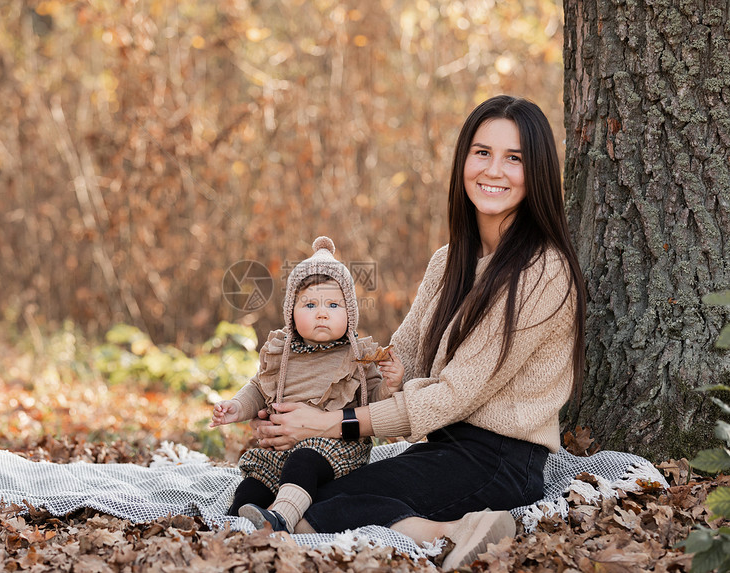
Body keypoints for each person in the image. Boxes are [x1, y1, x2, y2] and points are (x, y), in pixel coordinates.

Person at [250, 95, 586, 568]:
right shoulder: (449, 260)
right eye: (482, 152)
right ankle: (448, 526)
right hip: (443, 448)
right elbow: (400, 354)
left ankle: (460, 531)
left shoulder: (542, 272)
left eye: (515, 158)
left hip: (501, 464)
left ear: (538, 174)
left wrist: (329, 424)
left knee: (321, 510)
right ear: (463, 160)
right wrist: (305, 402)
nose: (494, 170)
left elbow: (452, 395)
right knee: (306, 487)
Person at [211, 236, 404, 533]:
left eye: (334, 305)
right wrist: (237, 407)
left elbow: (374, 402)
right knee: (255, 482)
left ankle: (282, 518)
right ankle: (237, 524)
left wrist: (390, 385)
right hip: (279, 450)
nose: (322, 313)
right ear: (291, 312)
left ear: (350, 312)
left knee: (304, 461)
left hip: (334, 448)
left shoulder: (357, 356)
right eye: (310, 304)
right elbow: (258, 388)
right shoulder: (281, 352)